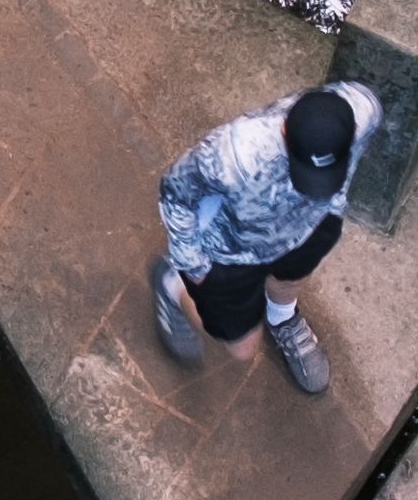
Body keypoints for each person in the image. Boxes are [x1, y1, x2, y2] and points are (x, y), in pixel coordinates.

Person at [155, 80, 366, 397]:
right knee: (242, 350)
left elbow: (352, 159)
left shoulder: (362, 112)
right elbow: (174, 195)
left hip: (308, 225)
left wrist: (331, 206)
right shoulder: (232, 151)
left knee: (291, 275)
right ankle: (172, 283)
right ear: (283, 133)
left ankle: (282, 317)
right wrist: (193, 266)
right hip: (232, 251)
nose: (310, 186)